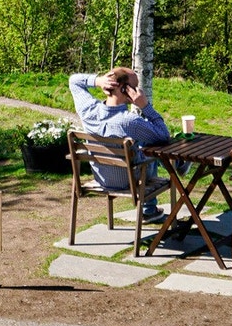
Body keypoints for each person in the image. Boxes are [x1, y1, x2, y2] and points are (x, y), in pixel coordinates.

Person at [69, 68, 170, 222]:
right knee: (148, 146)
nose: (138, 91)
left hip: (102, 178)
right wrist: (145, 106)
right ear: (125, 89)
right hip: (129, 181)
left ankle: (151, 208)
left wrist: (98, 81)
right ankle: (148, 210)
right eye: (135, 87)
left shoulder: (88, 110)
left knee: (138, 141)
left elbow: (74, 81)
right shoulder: (130, 121)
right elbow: (164, 135)